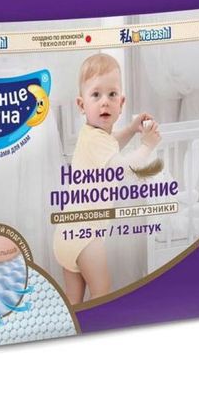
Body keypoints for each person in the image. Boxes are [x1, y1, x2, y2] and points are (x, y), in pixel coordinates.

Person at [53, 53, 162, 304]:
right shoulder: (97, 140)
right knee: (102, 293)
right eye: (96, 95)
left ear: (121, 103)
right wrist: (147, 145)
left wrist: (132, 129)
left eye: (112, 94)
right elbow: (121, 171)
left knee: (73, 300)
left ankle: (73, 327)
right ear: (81, 105)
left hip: (67, 232)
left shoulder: (92, 135)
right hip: (86, 236)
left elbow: (111, 147)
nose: (105, 102)